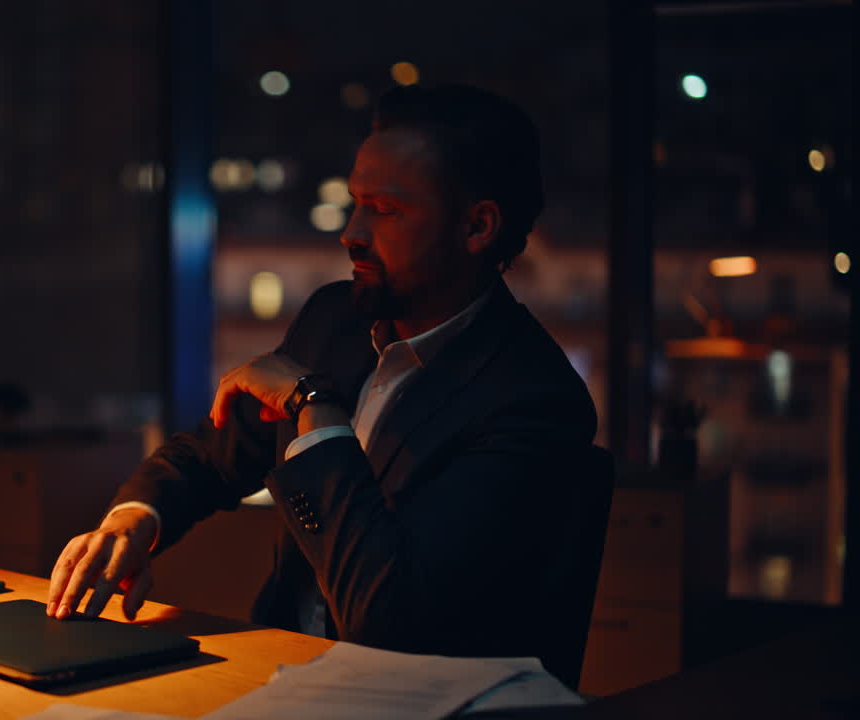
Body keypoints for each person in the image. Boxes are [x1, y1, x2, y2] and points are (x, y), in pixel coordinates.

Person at [47, 84, 598, 671]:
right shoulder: (336, 320)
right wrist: (133, 520)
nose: (351, 232)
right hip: (285, 667)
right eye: (354, 202)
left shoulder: (531, 399)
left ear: (477, 227)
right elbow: (213, 454)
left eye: (385, 210)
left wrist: (316, 407)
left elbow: (392, 620)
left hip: (416, 696)